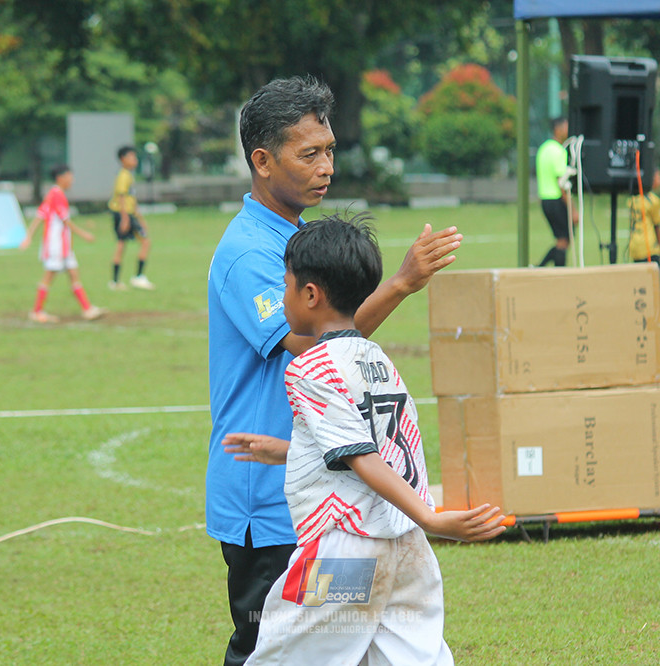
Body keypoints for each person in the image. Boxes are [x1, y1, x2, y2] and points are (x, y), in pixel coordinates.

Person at [206, 75, 464, 666]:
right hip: (270, 507)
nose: (326, 167)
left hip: (324, 497)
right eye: (309, 154)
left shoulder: (295, 237)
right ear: (262, 161)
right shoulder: (250, 249)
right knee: (264, 647)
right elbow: (314, 343)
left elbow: (332, 340)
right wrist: (399, 283)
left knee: (346, 645)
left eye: (330, 151)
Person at [232, 213, 506, 665]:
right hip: (405, 546)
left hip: (344, 552)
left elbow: (363, 458)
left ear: (311, 294)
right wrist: (287, 451)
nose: (281, 300)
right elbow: (375, 442)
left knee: (278, 658)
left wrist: (436, 520)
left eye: (285, 286)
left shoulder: (307, 367)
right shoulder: (376, 359)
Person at [19, 164, 106, 322]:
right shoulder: (57, 195)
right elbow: (65, 221)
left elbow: (40, 215)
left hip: (64, 245)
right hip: (56, 245)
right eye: (69, 176)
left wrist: (29, 236)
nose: (71, 180)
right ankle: (37, 311)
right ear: (61, 177)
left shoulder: (53, 194)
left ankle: (87, 309)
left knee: (73, 274)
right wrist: (84, 234)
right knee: (49, 276)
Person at [107, 146, 154, 290]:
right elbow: (121, 197)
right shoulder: (123, 175)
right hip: (124, 215)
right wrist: (125, 218)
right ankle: (138, 277)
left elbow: (131, 199)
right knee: (145, 242)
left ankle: (115, 281)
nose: (135, 160)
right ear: (123, 159)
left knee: (122, 245)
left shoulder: (128, 175)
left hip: (127, 214)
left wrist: (139, 217)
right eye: (131, 157)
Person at [536, 116, 578, 267]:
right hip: (557, 200)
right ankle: (554, 271)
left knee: (562, 240)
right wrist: (573, 209)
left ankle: (540, 267)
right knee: (564, 240)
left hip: (545, 200)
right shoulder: (558, 151)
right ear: (558, 129)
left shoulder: (544, 148)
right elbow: (562, 183)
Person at [627, 168, 660, 269]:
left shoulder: (633, 199)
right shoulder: (653, 200)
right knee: (654, 281)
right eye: (658, 176)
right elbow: (657, 226)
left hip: (635, 247)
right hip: (649, 247)